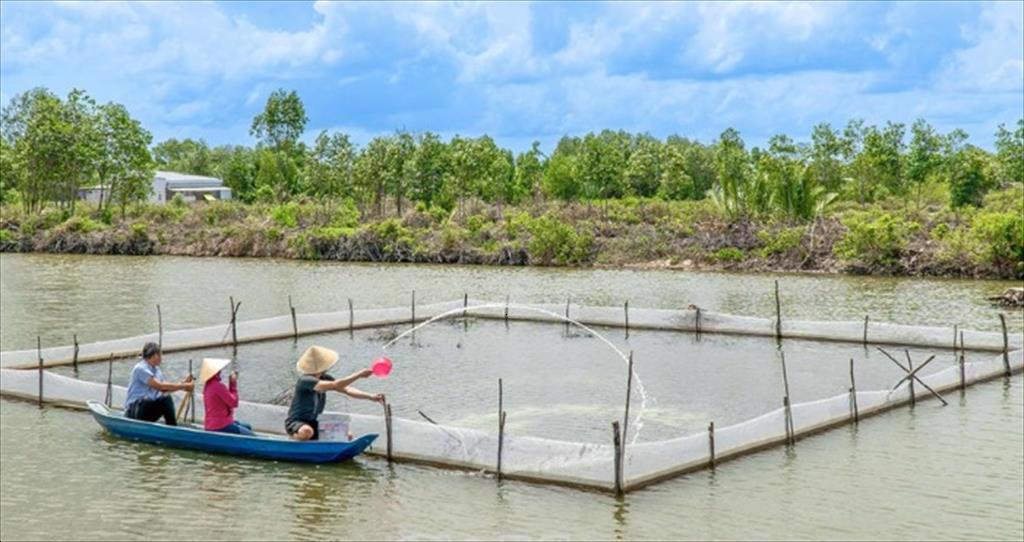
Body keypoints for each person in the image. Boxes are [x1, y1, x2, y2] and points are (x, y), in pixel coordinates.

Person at [285, 345, 383, 441]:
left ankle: (317, 443)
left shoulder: (325, 378)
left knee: (347, 435)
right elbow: (335, 385)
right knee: (307, 431)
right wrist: (358, 375)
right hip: (296, 422)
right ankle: (293, 438)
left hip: (315, 422)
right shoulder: (305, 380)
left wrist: (370, 396)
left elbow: (347, 389)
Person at [124, 342, 193, 425]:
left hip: (145, 410)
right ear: (153, 355)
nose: (161, 357)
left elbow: (165, 389)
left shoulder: (156, 370)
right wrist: (184, 386)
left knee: (165, 398)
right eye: (159, 355)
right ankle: (172, 428)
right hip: (134, 411)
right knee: (150, 400)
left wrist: (183, 384)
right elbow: (160, 386)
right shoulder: (140, 368)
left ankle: (172, 428)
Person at [200, 358, 254, 436]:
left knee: (247, 426)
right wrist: (233, 384)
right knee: (251, 436)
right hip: (221, 426)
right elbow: (234, 403)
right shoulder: (219, 386)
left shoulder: (207, 386)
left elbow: (226, 400)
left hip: (209, 425)